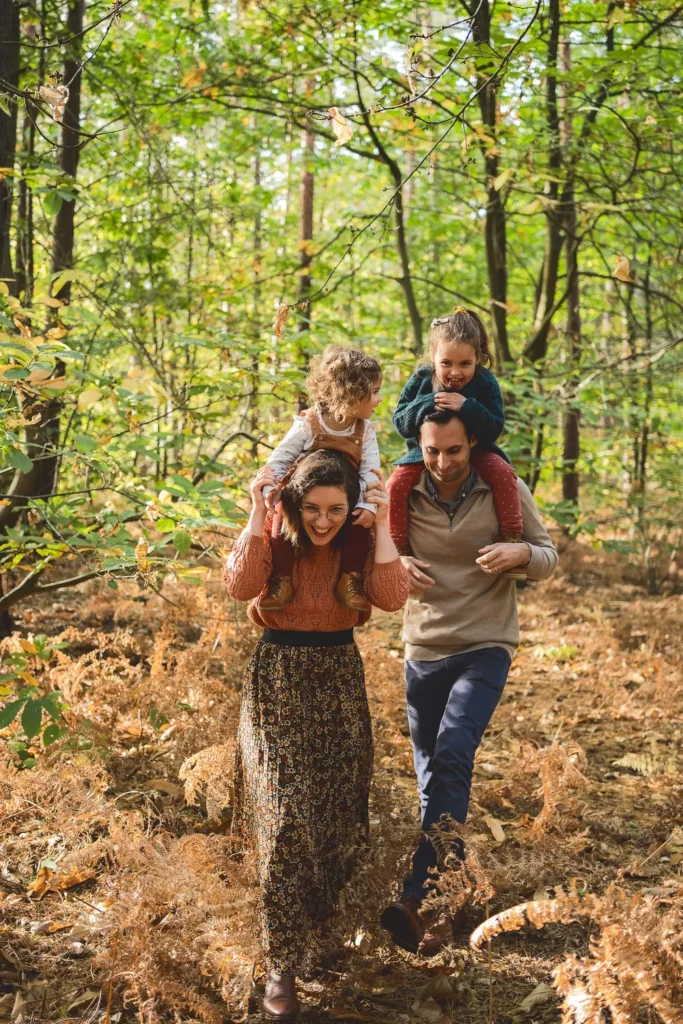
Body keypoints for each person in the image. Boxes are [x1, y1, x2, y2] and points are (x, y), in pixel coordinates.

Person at [224, 450, 409, 1021]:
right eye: (311, 508)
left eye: (336, 509)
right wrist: (259, 514)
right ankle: (280, 962)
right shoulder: (277, 538)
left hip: (338, 681)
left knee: (335, 813)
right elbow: (240, 585)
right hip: (278, 679)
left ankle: (314, 929)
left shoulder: (357, 543)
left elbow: (394, 595)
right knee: (285, 811)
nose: (323, 521)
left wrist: (379, 527)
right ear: (294, 504)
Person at [380, 407, 558, 957]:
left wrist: (520, 552)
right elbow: (373, 560)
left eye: (453, 451)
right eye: (432, 451)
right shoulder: (404, 491)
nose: (442, 462)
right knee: (434, 782)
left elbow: (548, 556)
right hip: (424, 649)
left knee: (455, 753)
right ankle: (447, 905)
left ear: (472, 443)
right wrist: (396, 564)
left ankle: (416, 896)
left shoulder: (503, 488)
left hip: (486, 644)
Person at [387, 306, 526, 580]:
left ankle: (511, 539)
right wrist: (428, 402)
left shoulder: (485, 382)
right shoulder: (420, 380)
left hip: (478, 449)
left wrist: (467, 406)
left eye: (465, 364)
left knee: (503, 472)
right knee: (396, 484)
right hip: (423, 454)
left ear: (478, 359)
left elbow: (495, 427)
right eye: (446, 363)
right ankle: (399, 549)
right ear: (433, 357)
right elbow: (401, 424)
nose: (455, 373)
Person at [261, 345, 383, 613]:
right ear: (352, 395)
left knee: (360, 525)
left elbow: (370, 472)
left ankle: (349, 578)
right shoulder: (310, 423)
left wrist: (368, 506)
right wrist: (270, 488)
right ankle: (281, 580)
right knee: (282, 519)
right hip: (303, 494)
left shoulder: (365, 432)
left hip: (345, 496)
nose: (379, 399)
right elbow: (280, 458)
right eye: (374, 393)